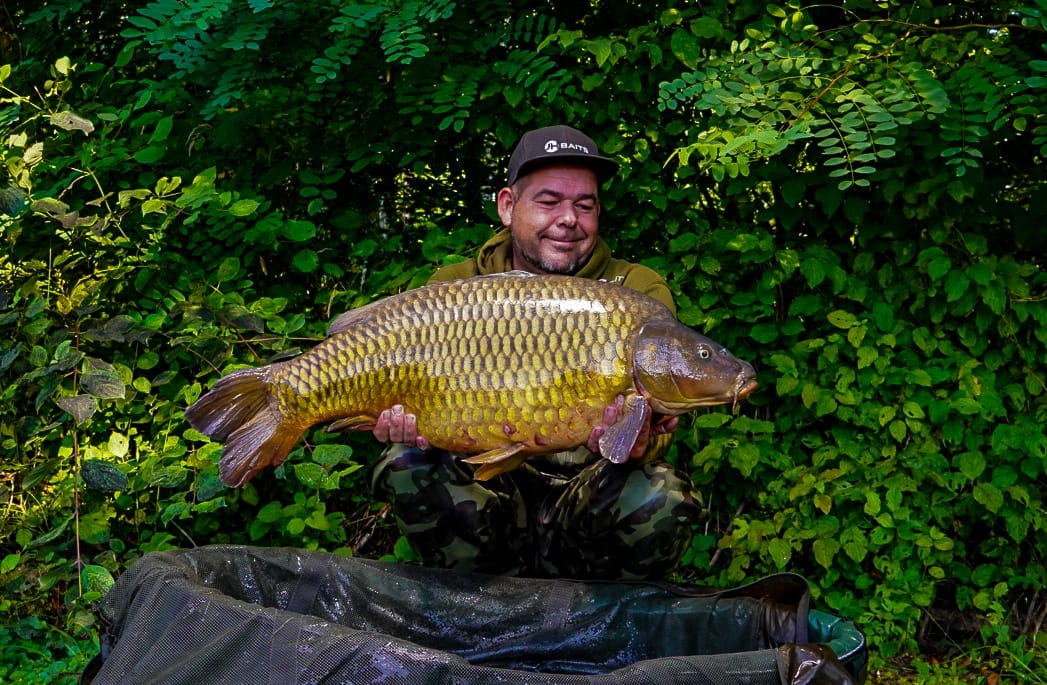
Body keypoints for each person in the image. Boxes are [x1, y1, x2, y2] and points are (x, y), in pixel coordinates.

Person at [369, 125, 701, 580]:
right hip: (489, 493)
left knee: (663, 494)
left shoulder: (634, 294)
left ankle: (598, 621)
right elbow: (405, 392)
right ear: (508, 206)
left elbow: (660, 417)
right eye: (549, 202)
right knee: (405, 462)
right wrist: (403, 425)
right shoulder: (456, 287)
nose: (569, 219)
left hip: (587, 494)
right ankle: (481, 606)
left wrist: (641, 442)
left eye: (584, 205)